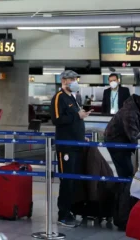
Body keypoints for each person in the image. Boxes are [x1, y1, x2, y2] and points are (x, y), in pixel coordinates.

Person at [50, 70, 92, 228]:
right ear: (63, 80)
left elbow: (75, 120)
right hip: (66, 146)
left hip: (77, 144)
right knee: (66, 180)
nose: (74, 81)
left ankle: (70, 210)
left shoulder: (74, 98)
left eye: (75, 78)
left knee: (73, 180)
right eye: (71, 79)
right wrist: (77, 116)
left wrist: (81, 136)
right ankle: (63, 215)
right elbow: (57, 119)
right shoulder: (59, 97)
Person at [104, 92, 140, 178]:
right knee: (126, 171)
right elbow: (134, 136)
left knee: (131, 169)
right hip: (115, 141)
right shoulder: (128, 112)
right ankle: (124, 190)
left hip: (128, 140)